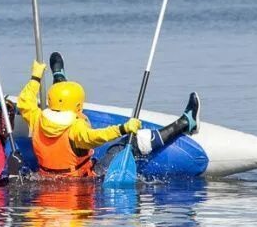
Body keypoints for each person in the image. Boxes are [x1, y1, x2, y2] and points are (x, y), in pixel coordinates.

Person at [16, 52, 200, 178]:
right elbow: (98, 137)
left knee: (62, 102)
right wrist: (123, 128)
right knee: (134, 142)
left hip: (48, 178)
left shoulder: (37, 117)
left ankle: (59, 76)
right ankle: (186, 123)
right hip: (84, 180)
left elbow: (24, 101)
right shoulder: (76, 129)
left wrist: (35, 78)